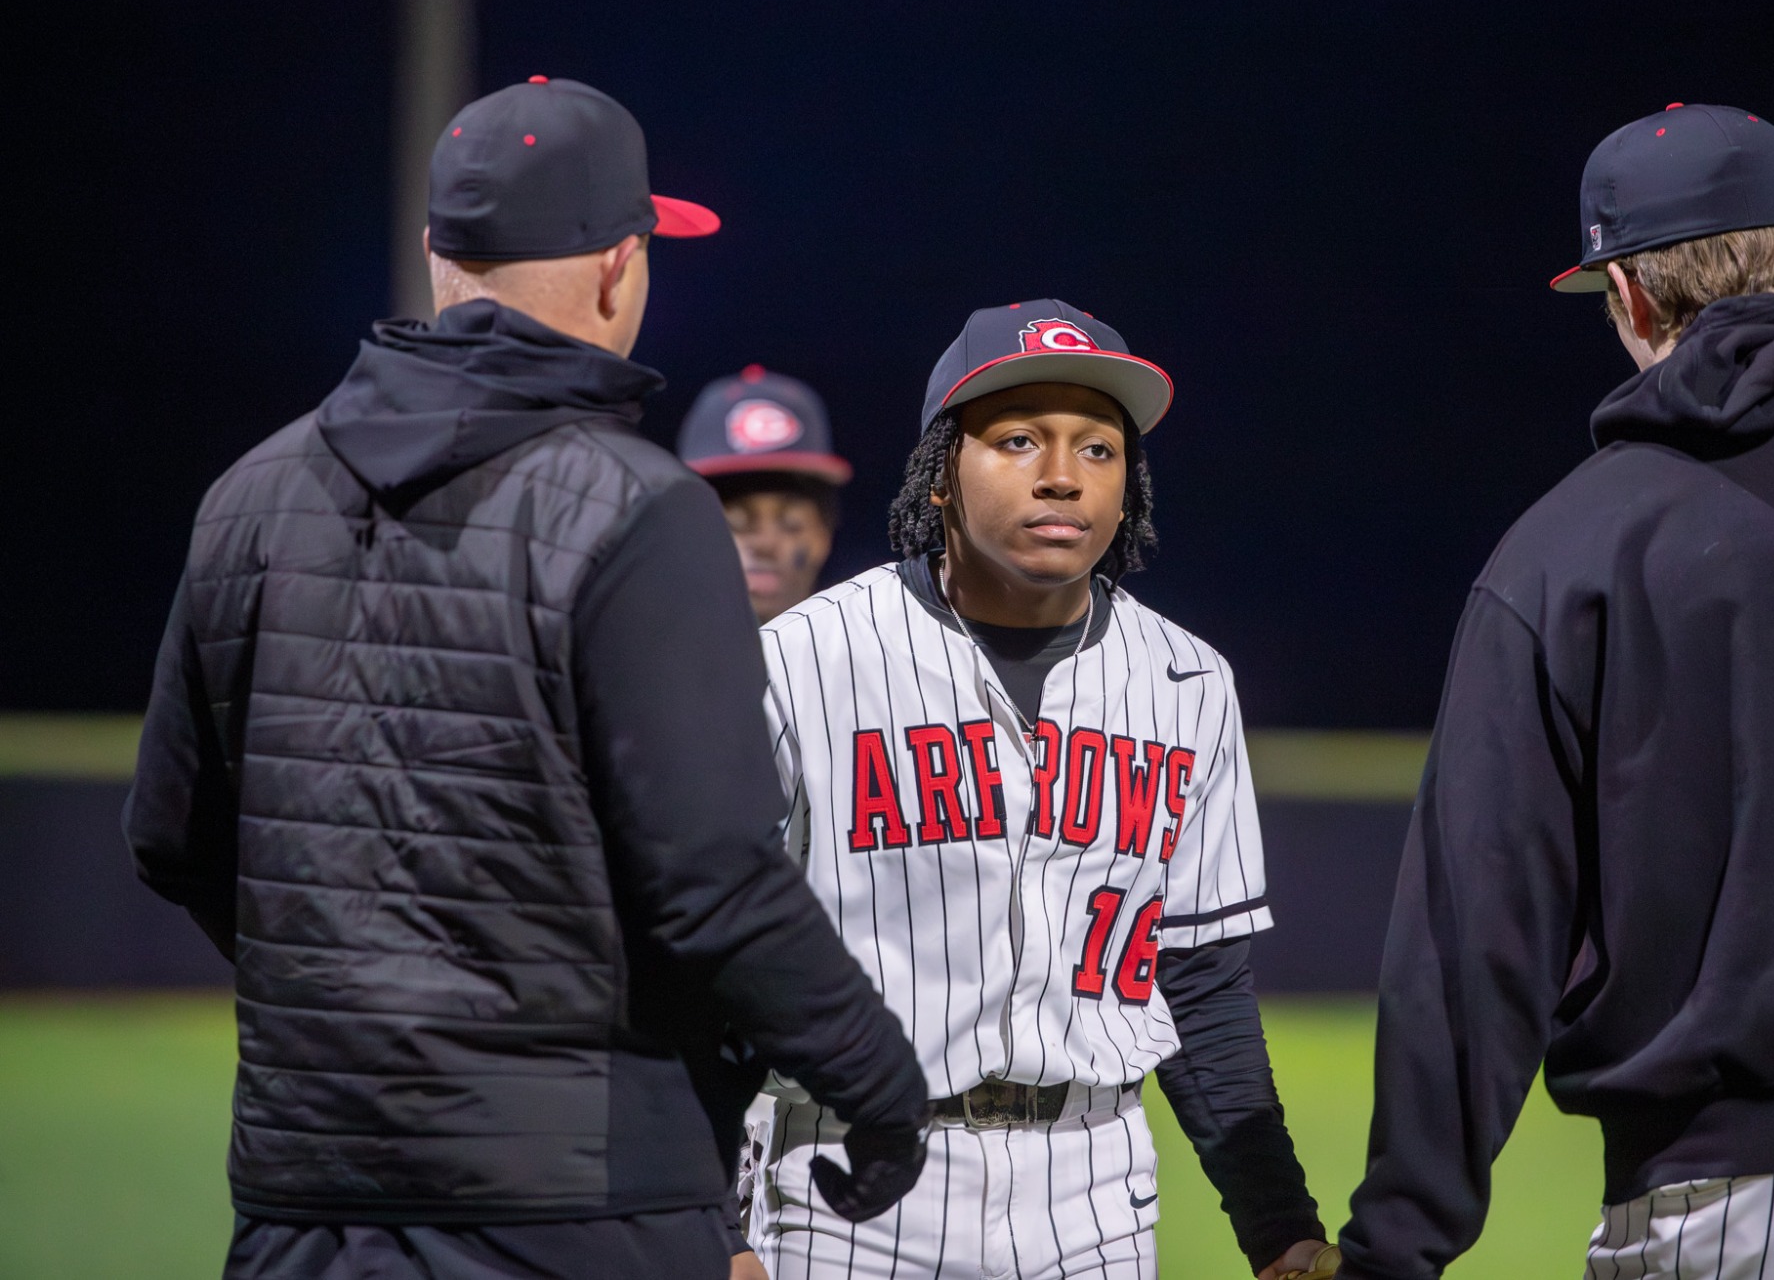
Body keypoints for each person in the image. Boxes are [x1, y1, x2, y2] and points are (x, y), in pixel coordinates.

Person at [123, 75, 928, 1280]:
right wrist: (876, 1081)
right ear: (617, 268)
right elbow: (711, 876)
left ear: (440, 255)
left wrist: (367, 1000)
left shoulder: (246, 496)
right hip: (580, 1199)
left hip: (305, 1200)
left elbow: (170, 840)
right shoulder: (641, 507)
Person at [1335, 104, 1774, 1279]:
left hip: (1727, 1210)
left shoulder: (1562, 552)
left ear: (1630, 300)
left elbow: (1474, 930)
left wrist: (1396, 1243)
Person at [743, 299, 1332, 1280]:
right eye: (1018, 439)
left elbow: (1196, 981)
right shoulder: (804, 659)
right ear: (938, 476)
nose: (1062, 474)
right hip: (845, 1184)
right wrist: (716, 1221)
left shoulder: (1186, 682)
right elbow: (717, 964)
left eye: (1098, 448)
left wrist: (1277, 1226)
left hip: (1089, 1186)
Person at [677, 365, 851, 623]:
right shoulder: (633, 652)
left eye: (792, 523)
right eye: (735, 522)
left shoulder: (869, 656)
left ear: (823, 537)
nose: (765, 543)